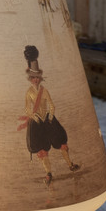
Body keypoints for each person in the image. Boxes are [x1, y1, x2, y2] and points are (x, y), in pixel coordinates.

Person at [22, 48, 79, 186]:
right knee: (41, 149)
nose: (35, 80)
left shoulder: (44, 90)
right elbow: (27, 108)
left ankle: (70, 164)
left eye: (37, 77)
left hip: (48, 119)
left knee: (62, 143)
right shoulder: (29, 92)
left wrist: (51, 116)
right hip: (36, 122)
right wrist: (32, 115)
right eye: (33, 77)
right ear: (30, 79)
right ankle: (48, 173)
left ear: (40, 78)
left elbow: (51, 105)